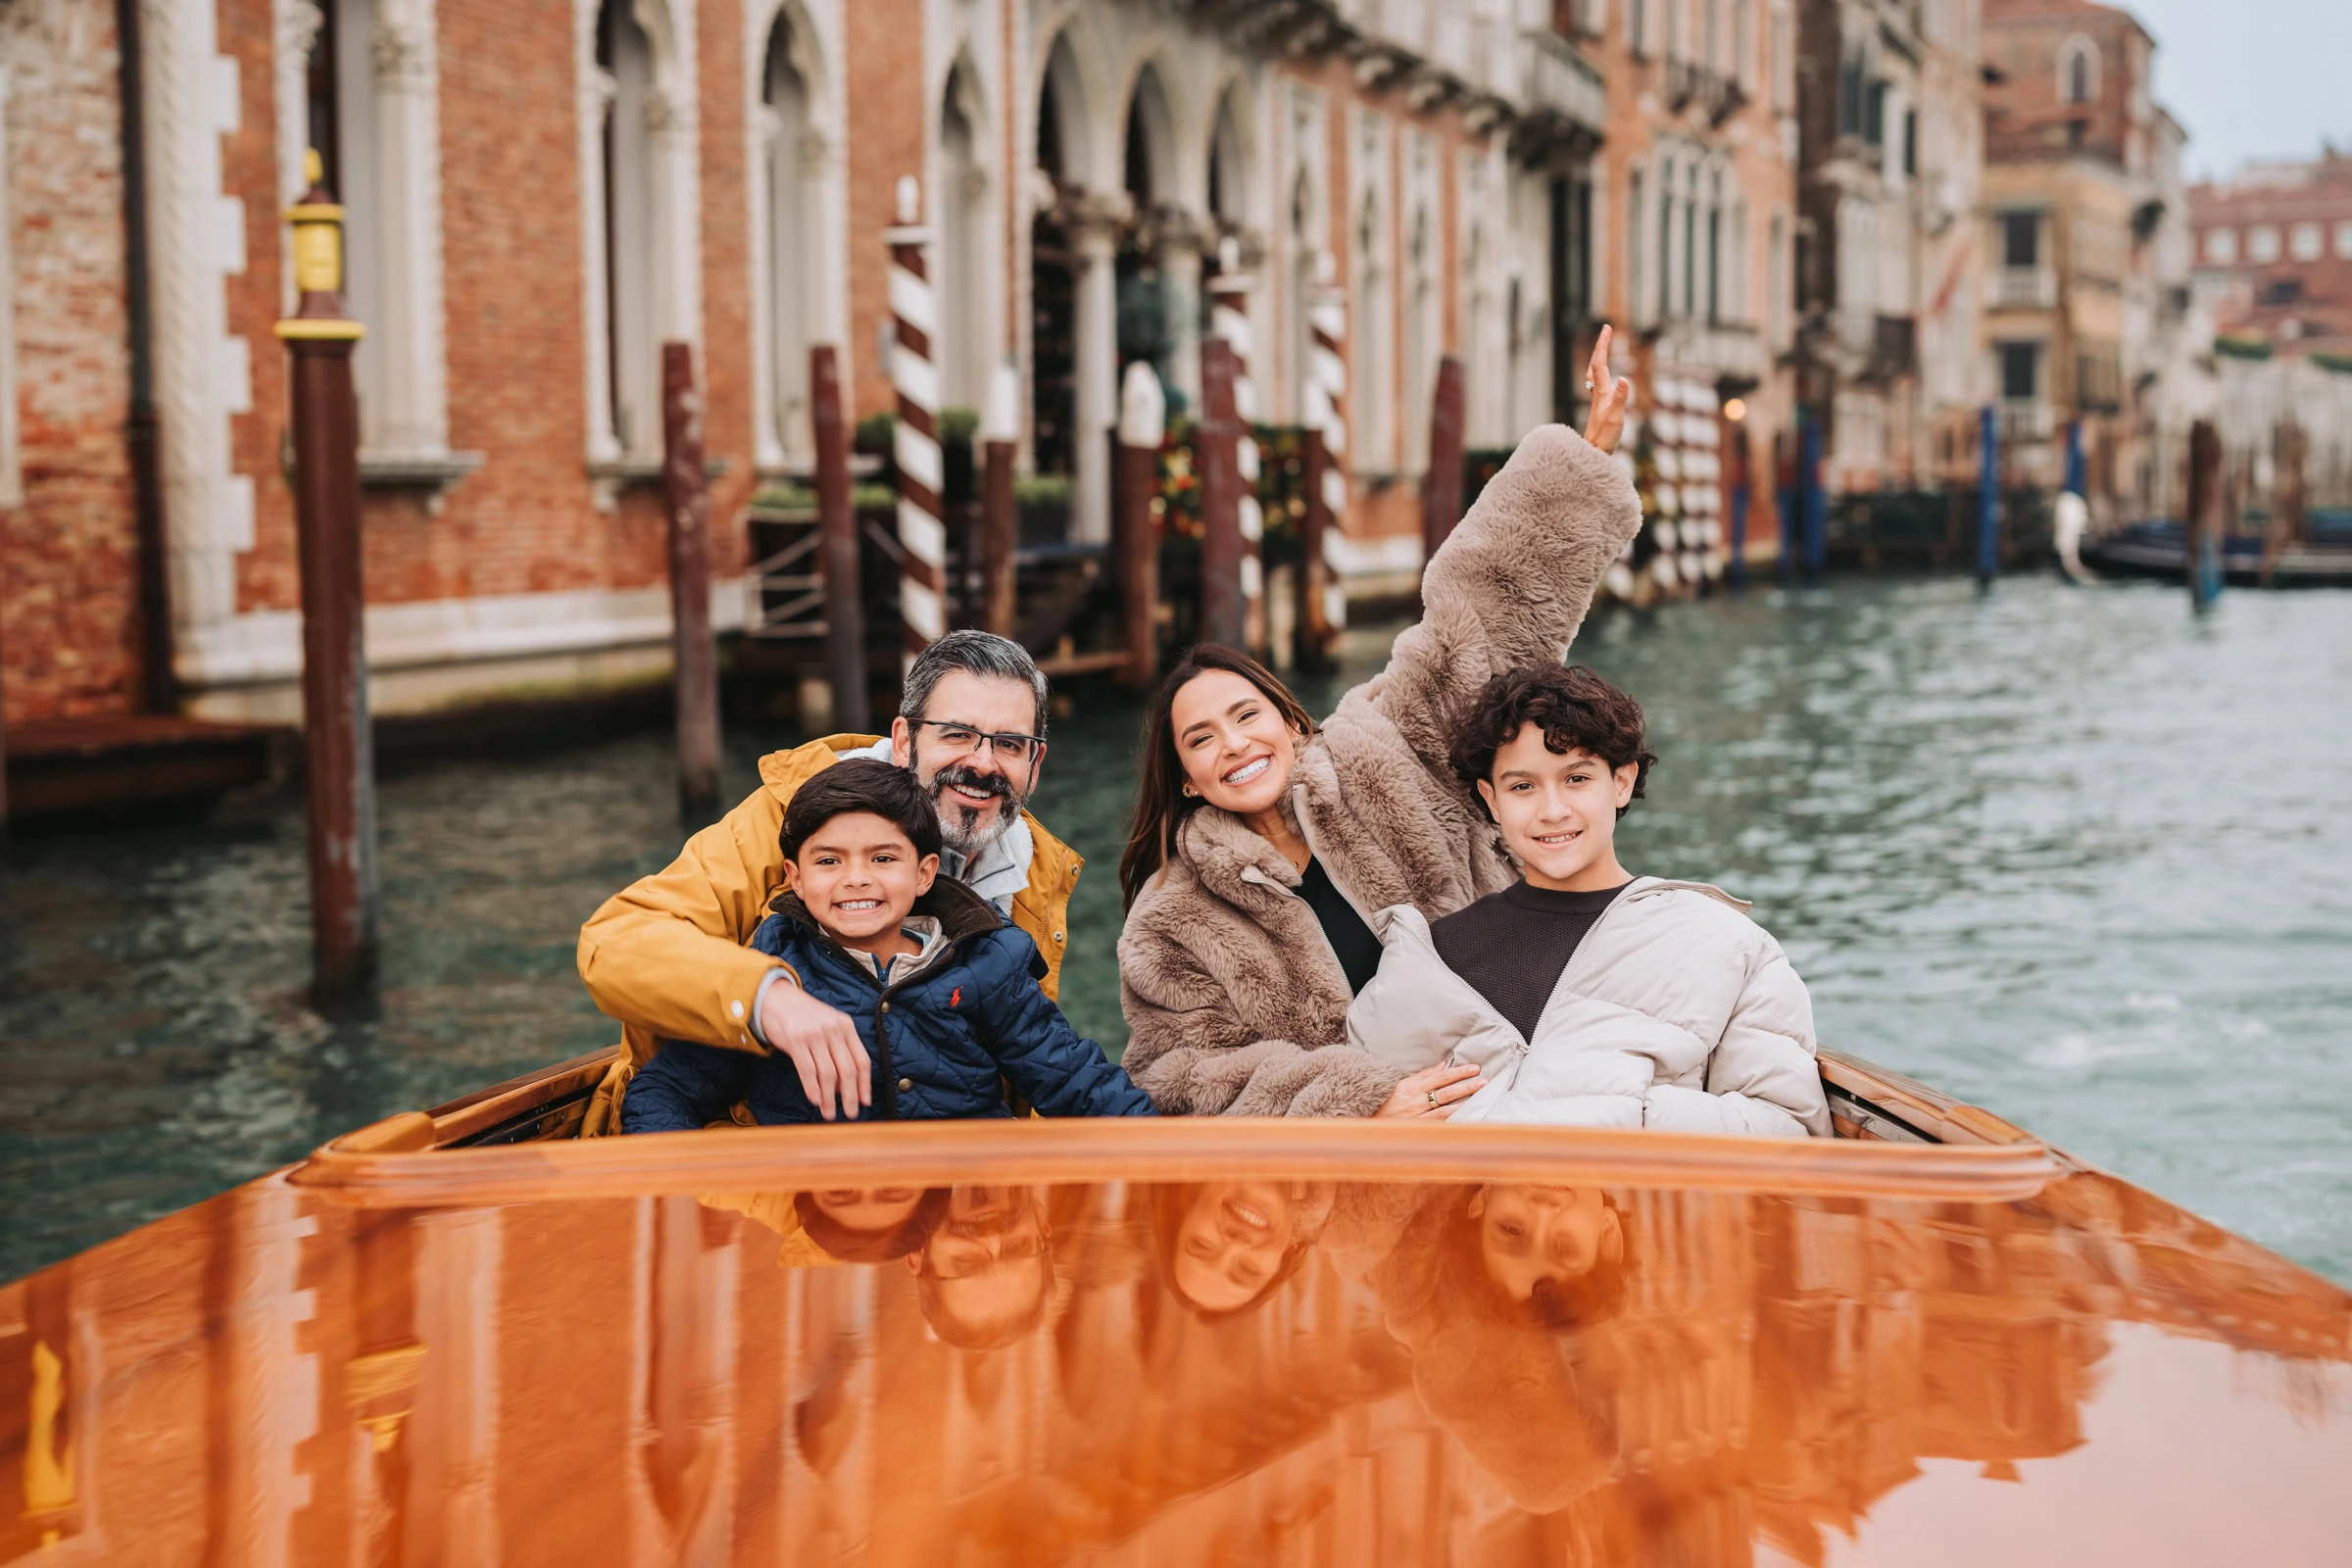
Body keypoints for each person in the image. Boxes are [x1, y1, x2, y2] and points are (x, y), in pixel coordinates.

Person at [1113, 327, 1641, 1120]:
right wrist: (1364, 1105)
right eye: (1202, 738)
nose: (1233, 745)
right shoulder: (1169, 920)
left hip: (1522, 1088)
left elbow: (1477, 619)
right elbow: (1180, 1073)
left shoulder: (1382, 751)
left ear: (1291, 724)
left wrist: (1584, 459)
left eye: (1246, 715)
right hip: (1358, 1163)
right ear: (1187, 776)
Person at [577, 630, 1083, 1131]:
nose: (982, 763)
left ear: (1034, 765)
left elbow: (1046, 1062)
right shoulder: (786, 819)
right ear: (905, 741)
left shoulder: (1037, 867)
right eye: (956, 734)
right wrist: (768, 999)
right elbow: (615, 942)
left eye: (1010, 744)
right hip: (752, 1161)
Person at [1346, 664, 1832, 1137]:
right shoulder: (1427, 957)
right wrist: (1374, 1124)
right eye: (1522, 787)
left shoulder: (1726, 944)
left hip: (1639, 1218)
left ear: (1621, 782)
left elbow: (1788, 1133)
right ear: (1491, 800)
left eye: (1576, 778)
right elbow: (1363, 1127)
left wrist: (1606, 1114)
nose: (1553, 811)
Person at [620, 760, 1154, 1131]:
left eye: (883, 859)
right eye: (829, 861)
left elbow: (1074, 1080)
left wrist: (1172, 1157)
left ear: (924, 873)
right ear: (795, 878)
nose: (856, 879)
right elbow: (666, 1091)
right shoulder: (772, 972)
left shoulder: (987, 961)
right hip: (824, 1222)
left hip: (968, 1219)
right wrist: (689, 1202)